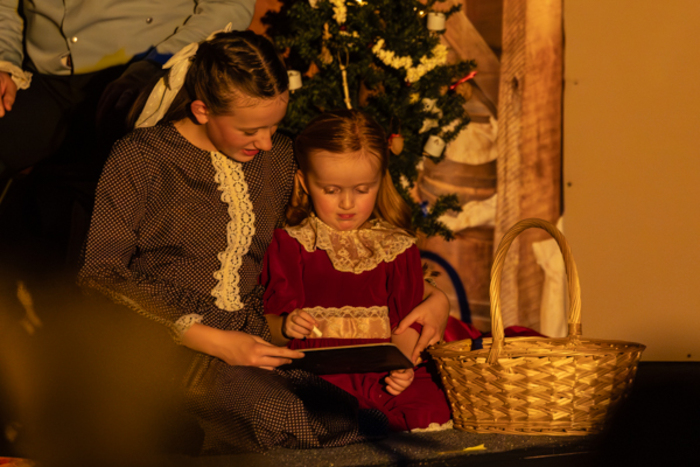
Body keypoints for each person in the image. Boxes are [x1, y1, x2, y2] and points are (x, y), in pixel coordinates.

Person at [78, 29, 450, 454]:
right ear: (202, 110)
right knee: (279, 418)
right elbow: (100, 274)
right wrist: (212, 339)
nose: (267, 142)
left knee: (350, 416)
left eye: (275, 125)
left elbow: (340, 234)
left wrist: (433, 296)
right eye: (251, 129)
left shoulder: (276, 160)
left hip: (258, 341)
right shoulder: (141, 158)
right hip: (164, 340)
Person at [0, 0, 256, 273]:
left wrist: (164, 62)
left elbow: (232, 4)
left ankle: (80, 301)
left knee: (109, 197)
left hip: (143, 75)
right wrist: (3, 60)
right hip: (42, 74)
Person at [260, 110, 452, 432]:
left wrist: (401, 365)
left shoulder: (395, 248)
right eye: (331, 190)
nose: (347, 204)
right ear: (305, 183)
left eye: (362, 190)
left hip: (379, 371)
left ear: (379, 183)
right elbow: (269, 322)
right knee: (323, 417)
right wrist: (287, 324)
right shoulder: (294, 244)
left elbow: (403, 321)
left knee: (429, 407)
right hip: (318, 374)